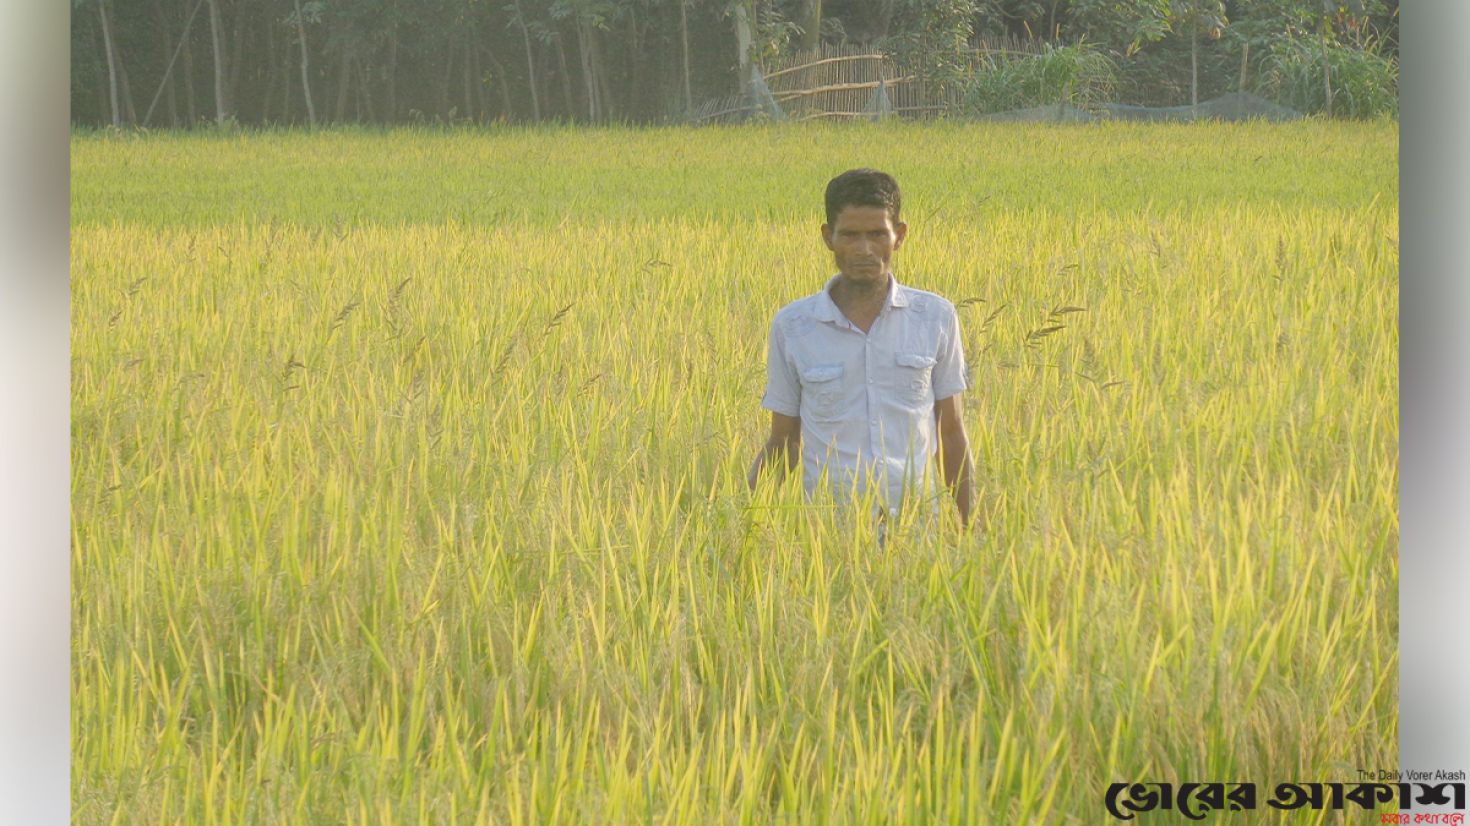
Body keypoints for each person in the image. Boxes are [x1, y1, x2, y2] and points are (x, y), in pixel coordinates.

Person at [747, 168, 976, 530]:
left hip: (917, 531)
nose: (864, 249)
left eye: (877, 234)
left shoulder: (935, 318)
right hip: (829, 536)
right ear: (828, 238)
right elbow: (784, 441)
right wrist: (743, 528)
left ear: (899, 236)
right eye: (850, 235)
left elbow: (951, 433)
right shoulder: (793, 327)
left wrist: (972, 526)